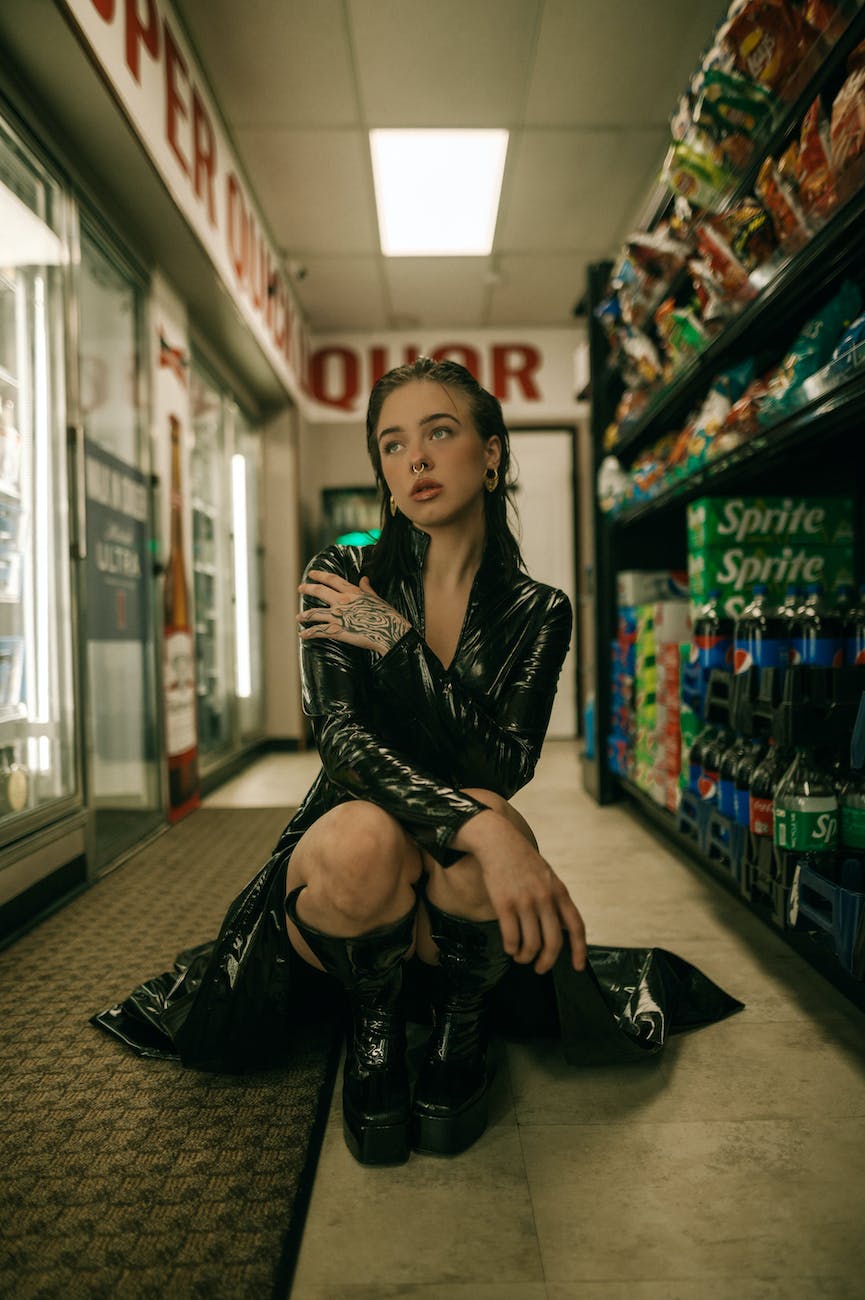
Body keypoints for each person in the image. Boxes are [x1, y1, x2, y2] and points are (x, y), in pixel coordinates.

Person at [92, 358, 742, 1165]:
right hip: (346, 864)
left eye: (439, 432)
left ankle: (456, 1035)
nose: (416, 460)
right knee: (392, 832)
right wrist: (483, 827)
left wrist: (393, 643)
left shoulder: (539, 611)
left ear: (492, 453)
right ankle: (374, 1033)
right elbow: (340, 739)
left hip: (448, 893)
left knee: (488, 812)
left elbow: (500, 762)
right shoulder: (343, 571)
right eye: (391, 445)